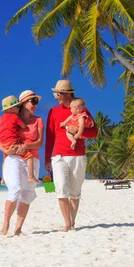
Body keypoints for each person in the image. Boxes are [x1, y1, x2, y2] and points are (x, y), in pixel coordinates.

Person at [45, 80, 97, 232]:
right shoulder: (53, 112)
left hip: (78, 156)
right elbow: (50, 136)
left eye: (58, 94)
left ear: (67, 94)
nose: (56, 97)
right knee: (61, 189)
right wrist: (47, 159)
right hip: (59, 156)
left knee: (75, 192)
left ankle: (72, 222)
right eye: (55, 94)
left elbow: (94, 132)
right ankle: (67, 224)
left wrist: (78, 131)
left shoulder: (82, 110)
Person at [0, 90, 44, 236]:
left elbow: (39, 143)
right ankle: (6, 224)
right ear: (23, 103)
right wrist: (7, 151)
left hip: (32, 158)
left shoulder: (38, 120)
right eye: (33, 101)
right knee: (15, 188)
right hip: (13, 158)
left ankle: (18, 229)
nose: (36, 104)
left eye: (37, 101)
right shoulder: (11, 118)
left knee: (27, 193)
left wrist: (25, 146)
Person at [0, 95, 40, 185]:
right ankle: (31, 176)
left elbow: (0, 136)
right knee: (29, 156)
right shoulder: (15, 117)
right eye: (17, 106)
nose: (18, 108)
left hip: (4, 142)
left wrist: (6, 150)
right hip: (14, 144)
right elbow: (23, 126)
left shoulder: (1, 118)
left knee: (4, 160)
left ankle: (3, 178)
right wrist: (25, 126)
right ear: (10, 109)